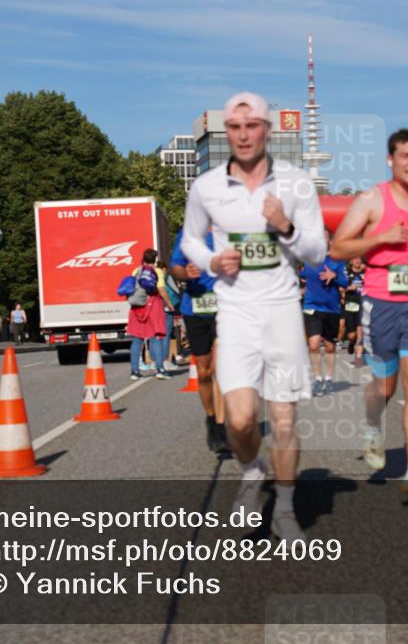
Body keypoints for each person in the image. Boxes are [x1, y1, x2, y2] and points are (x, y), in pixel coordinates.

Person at [181, 91, 326, 541]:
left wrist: (285, 226)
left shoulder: (297, 183)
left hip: (282, 310)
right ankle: (251, 470)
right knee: (241, 420)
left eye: (253, 126)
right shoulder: (205, 187)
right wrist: (211, 261)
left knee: (283, 419)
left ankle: (284, 507)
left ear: (267, 129)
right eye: (235, 128)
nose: (244, 135)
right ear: (228, 133)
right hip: (236, 313)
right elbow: (189, 241)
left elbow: (317, 253)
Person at [329, 128, 408, 502]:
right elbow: (339, 248)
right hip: (381, 306)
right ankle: (374, 425)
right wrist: (380, 238)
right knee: (384, 388)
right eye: (406, 156)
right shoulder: (371, 200)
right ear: (391, 160)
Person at [170, 227, 228, 453]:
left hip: (225, 307)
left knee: (220, 368)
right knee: (203, 371)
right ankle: (212, 419)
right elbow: (175, 266)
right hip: (194, 308)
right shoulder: (188, 234)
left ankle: (222, 427)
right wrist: (185, 272)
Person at [300, 233, 349, 396]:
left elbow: (345, 282)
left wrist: (334, 276)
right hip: (311, 306)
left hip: (331, 308)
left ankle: (328, 379)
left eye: (325, 237)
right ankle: (317, 380)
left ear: (330, 240)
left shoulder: (337, 260)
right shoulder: (308, 259)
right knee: (313, 345)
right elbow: (298, 274)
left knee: (329, 346)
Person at [128, 249, 170, 380]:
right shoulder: (157, 272)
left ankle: (134, 371)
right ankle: (160, 369)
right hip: (153, 306)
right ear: (155, 260)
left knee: (136, 339)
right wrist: (169, 303)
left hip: (137, 308)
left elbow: (131, 289)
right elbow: (161, 289)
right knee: (155, 337)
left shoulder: (136, 271)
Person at [153, 260, 179, 371]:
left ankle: (155, 361)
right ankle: (165, 361)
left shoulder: (151, 276)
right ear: (163, 268)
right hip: (166, 308)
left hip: (154, 308)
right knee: (166, 335)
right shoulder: (165, 277)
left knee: (155, 336)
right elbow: (175, 289)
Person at [342, 258, 366, 367]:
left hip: (362, 305)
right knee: (352, 335)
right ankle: (351, 343)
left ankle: (358, 357)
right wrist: (348, 288)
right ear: (350, 261)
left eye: (359, 259)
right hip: (350, 305)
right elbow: (340, 288)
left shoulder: (365, 273)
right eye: (354, 259)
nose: (357, 261)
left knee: (360, 331)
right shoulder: (346, 273)